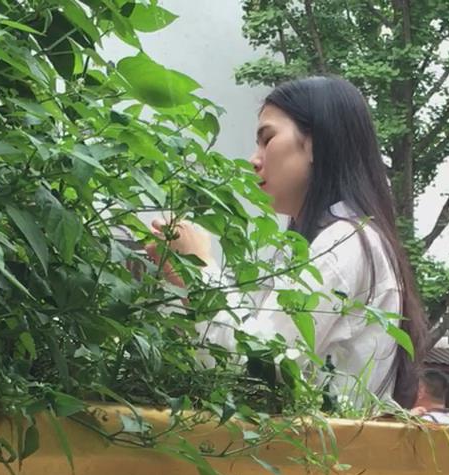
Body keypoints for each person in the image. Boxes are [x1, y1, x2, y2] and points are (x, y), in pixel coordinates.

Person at [150, 76, 423, 409]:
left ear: (316, 143)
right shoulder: (321, 243)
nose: (254, 159)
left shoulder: (345, 242)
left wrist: (201, 270)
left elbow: (261, 367)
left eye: (267, 139)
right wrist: (184, 281)